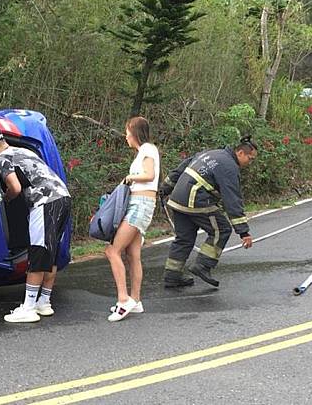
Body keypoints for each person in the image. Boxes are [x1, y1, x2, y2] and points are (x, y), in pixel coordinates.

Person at [0, 127, 71, 323]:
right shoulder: (23, 151)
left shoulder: (2, 159)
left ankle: (28, 307)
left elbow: (14, 186)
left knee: (38, 251)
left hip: (44, 202)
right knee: (51, 253)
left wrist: (4, 199)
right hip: (62, 197)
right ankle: (44, 302)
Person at [159, 137, 257, 288]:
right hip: (194, 200)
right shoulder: (229, 167)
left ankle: (172, 275)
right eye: (250, 159)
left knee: (184, 238)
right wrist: (243, 231)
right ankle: (203, 265)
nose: (250, 163)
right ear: (240, 152)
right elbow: (232, 199)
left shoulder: (212, 153)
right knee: (221, 229)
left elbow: (183, 167)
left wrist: (165, 187)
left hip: (177, 199)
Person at [104, 116, 159, 322]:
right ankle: (135, 300)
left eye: (127, 131)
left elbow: (149, 175)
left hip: (140, 205)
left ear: (135, 133)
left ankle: (123, 299)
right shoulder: (143, 151)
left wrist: (130, 178)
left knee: (112, 250)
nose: (125, 136)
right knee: (132, 253)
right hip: (140, 204)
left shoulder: (147, 149)